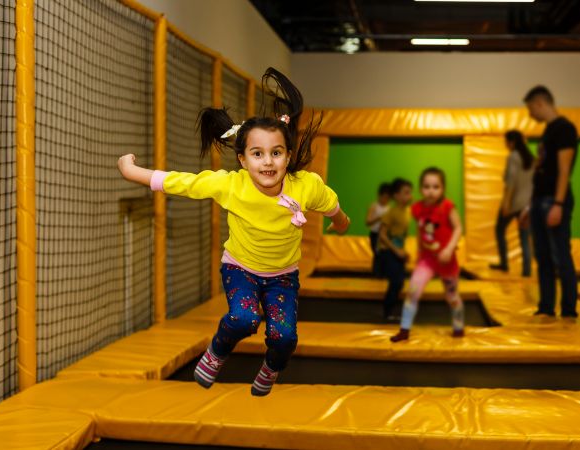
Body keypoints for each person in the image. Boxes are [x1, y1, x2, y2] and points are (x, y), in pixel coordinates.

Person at [117, 68, 350, 396]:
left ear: (288, 156)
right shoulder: (229, 184)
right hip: (240, 268)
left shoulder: (306, 186)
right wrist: (131, 170)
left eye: (276, 152)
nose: (267, 162)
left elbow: (333, 207)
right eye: (257, 154)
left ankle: (271, 367)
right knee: (243, 319)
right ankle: (217, 350)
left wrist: (340, 222)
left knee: (285, 339)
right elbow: (179, 182)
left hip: (283, 276)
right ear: (242, 159)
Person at [520, 85, 578, 321]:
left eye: (531, 108)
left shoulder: (564, 128)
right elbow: (542, 171)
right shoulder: (548, 131)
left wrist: (558, 204)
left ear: (540, 103)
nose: (530, 114)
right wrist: (529, 206)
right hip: (539, 201)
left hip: (553, 201)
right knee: (542, 256)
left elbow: (564, 170)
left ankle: (568, 309)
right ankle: (546, 307)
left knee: (560, 256)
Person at [391, 167, 464, 342]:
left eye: (436, 187)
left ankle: (458, 326)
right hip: (427, 260)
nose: (431, 191)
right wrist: (418, 251)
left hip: (447, 260)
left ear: (443, 188)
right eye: (426, 186)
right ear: (421, 188)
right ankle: (404, 329)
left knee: (452, 296)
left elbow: (458, 228)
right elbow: (420, 229)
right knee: (413, 291)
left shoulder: (447, 207)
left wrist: (449, 249)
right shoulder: (417, 208)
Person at [490, 130, 534, 277]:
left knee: (499, 230)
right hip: (527, 204)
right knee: (524, 237)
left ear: (511, 142)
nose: (506, 145)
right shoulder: (530, 158)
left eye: (506, 142)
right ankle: (526, 271)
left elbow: (511, 182)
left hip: (514, 203)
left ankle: (504, 264)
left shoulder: (513, 157)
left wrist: (506, 204)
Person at [377, 178, 412, 321]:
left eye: (410, 193)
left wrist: (403, 252)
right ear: (396, 196)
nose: (410, 196)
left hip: (397, 252)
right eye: (406, 193)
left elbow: (400, 237)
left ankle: (389, 311)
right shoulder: (391, 212)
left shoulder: (407, 212)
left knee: (399, 282)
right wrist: (397, 251)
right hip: (387, 251)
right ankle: (387, 313)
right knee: (397, 281)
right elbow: (382, 235)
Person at [366, 182, 391, 276]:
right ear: (379, 195)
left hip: (385, 235)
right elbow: (367, 222)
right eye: (384, 197)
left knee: (385, 256)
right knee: (377, 254)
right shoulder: (374, 206)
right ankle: (376, 276)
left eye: (388, 198)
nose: (385, 200)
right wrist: (379, 217)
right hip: (375, 234)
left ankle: (384, 275)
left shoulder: (389, 208)